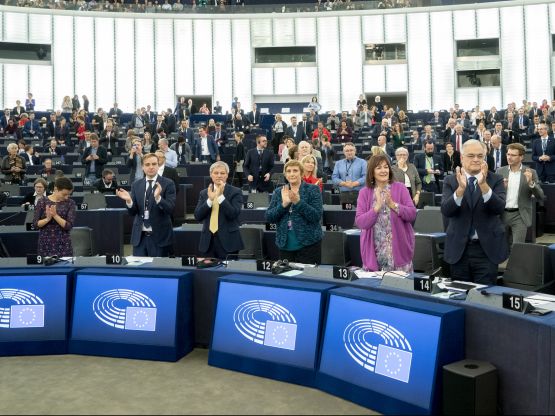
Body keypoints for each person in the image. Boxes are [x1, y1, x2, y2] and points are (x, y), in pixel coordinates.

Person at [441, 139, 508, 285]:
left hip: (487, 250)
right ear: (462, 158)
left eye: (480, 156)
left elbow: (499, 208)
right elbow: (446, 210)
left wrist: (483, 185)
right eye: (471, 156)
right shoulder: (451, 180)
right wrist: (460, 190)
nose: (476, 159)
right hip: (459, 249)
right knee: (460, 294)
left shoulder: (496, 179)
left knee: (484, 297)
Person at [355, 154, 416, 272]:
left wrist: (393, 205)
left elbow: (412, 214)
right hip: (374, 254)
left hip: (399, 254)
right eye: (378, 168)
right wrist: (376, 207)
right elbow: (361, 222)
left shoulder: (401, 188)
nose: (383, 170)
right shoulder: (364, 193)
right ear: (372, 172)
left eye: (386, 167)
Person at [116, 153, 176, 257]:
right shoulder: (136, 184)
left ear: (158, 165)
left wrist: (158, 198)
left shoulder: (168, 183)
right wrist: (129, 201)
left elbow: (170, 209)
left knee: (158, 271)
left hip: (160, 237)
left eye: (154, 164)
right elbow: (132, 212)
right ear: (142, 167)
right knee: (139, 271)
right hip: (139, 237)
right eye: (147, 164)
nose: (151, 167)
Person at [266, 159, 323, 264]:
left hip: (308, 244)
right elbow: (269, 217)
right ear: (285, 174)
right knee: (287, 279)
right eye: (289, 171)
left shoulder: (313, 189)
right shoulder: (279, 192)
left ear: (301, 173)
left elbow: (316, 216)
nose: (292, 174)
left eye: (295, 171)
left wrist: (298, 202)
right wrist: (283, 205)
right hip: (285, 245)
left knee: (307, 279)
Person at [496, 143, 544, 248]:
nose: (509, 157)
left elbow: (540, 196)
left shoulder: (531, 172)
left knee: (517, 248)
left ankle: (515, 265)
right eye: (508, 154)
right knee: (501, 248)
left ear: (521, 157)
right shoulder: (500, 171)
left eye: (513, 155)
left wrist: (531, 183)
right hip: (502, 214)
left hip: (520, 215)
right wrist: (501, 188)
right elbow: (493, 195)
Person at [194, 161, 244, 259]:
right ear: (211, 175)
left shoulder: (236, 192)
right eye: (216, 173)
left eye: (222, 173)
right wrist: (210, 200)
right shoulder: (204, 193)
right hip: (208, 242)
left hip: (229, 241)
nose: (219, 176)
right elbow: (197, 216)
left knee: (228, 272)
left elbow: (233, 214)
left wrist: (221, 197)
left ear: (227, 175)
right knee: (208, 272)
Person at [33, 177, 76, 257]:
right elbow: (35, 224)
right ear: (56, 189)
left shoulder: (70, 203)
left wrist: (55, 215)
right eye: (64, 194)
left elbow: (69, 226)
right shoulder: (42, 201)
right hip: (45, 243)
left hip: (64, 244)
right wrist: (47, 219)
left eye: (69, 194)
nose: (67, 197)